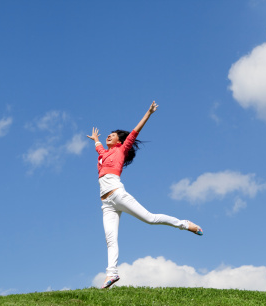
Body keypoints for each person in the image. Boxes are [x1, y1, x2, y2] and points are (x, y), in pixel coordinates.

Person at [87, 101, 203, 289]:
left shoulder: (122, 150)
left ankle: (184, 224)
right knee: (110, 239)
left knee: (150, 218)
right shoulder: (104, 153)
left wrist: (148, 113)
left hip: (118, 195)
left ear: (119, 141)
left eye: (113, 135)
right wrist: (96, 140)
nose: (109, 135)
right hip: (106, 203)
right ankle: (112, 274)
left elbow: (134, 132)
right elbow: (99, 148)